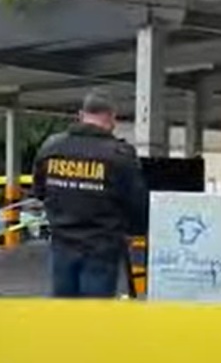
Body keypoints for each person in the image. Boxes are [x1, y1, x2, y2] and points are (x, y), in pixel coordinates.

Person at [32, 90, 148, 298]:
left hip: (61, 243)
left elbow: (39, 191)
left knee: (63, 311)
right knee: (95, 314)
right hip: (102, 246)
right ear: (112, 117)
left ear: (81, 114)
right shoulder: (120, 155)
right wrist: (137, 231)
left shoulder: (51, 147)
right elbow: (137, 204)